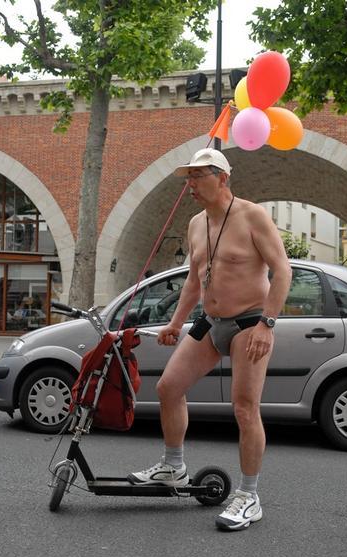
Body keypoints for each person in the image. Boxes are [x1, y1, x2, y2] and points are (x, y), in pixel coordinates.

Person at [128, 148, 292, 531]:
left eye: (197, 177)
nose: (190, 186)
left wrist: (268, 323)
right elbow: (192, 280)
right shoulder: (195, 224)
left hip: (250, 322)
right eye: (187, 178)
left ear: (222, 178)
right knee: (169, 387)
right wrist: (175, 323)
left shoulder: (252, 215)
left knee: (244, 408)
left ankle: (249, 496)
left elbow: (282, 270)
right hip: (210, 321)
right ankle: (173, 467)